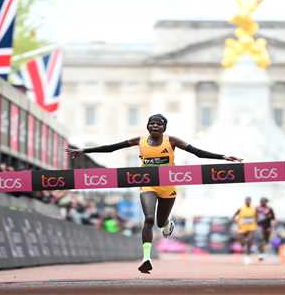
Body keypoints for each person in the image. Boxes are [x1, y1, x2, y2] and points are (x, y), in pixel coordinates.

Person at [66, 113, 242, 274]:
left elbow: (197, 153)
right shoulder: (139, 141)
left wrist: (223, 157)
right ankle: (146, 258)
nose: (155, 126)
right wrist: (84, 150)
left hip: (168, 187)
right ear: (147, 126)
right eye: (152, 123)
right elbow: (112, 148)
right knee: (149, 219)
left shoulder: (172, 141)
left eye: (159, 124)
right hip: (147, 185)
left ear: (164, 128)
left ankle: (167, 223)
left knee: (159, 221)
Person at [233, 197, 257, 264]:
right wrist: (235, 221)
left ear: (251, 201)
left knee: (249, 240)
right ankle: (245, 248)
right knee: (242, 241)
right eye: (246, 200)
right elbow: (234, 216)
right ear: (245, 201)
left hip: (251, 227)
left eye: (249, 200)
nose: (248, 201)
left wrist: (257, 221)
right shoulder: (241, 208)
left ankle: (247, 256)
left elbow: (257, 216)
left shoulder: (254, 208)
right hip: (242, 227)